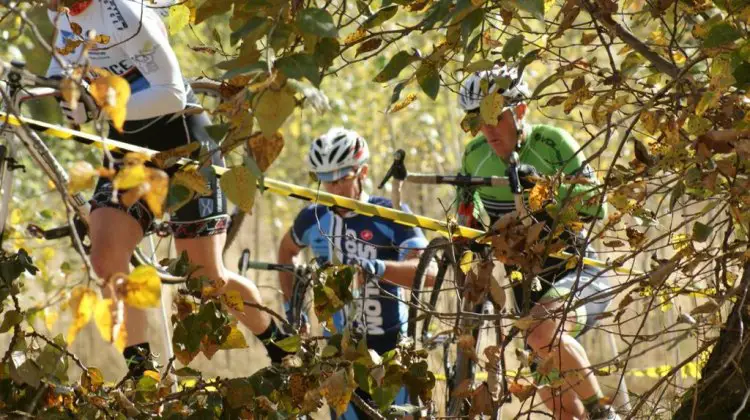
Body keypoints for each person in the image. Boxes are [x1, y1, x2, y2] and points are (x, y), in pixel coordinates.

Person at [46, 0, 292, 378]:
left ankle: (282, 349)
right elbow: (58, 76)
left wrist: (99, 108)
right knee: (106, 256)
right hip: (130, 149)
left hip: (183, 141)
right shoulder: (61, 12)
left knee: (206, 279)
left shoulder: (123, 11)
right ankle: (143, 376)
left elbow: (172, 93)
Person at [457, 64, 620, 420]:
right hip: (525, 288)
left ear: (519, 110)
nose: (486, 130)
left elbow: (598, 206)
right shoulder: (474, 154)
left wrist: (547, 189)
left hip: (575, 272)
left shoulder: (551, 142)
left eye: (493, 117)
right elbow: (465, 218)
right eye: (476, 121)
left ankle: (605, 415)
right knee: (560, 408)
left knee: (541, 330)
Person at [277, 127, 430, 419]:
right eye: (324, 180)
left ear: (362, 172)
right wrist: (292, 309)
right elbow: (286, 252)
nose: (332, 189)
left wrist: (378, 269)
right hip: (339, 355)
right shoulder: (312, 217)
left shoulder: (391, 214)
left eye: (341, 179)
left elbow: (427, 273)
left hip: (390, 348)